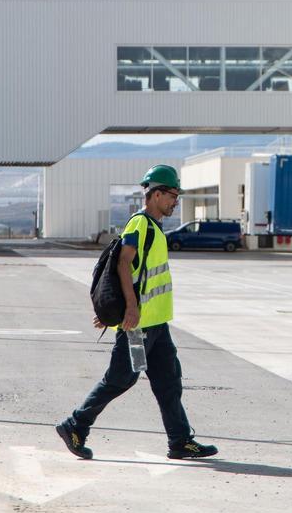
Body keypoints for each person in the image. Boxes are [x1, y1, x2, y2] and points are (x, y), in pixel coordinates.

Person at [56, 164, 219, 461]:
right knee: (120, 379)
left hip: (157, 324)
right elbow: (122, 264)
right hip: (138, 327)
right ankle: (76, 425)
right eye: (172, 195)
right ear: (156, 194)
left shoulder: (154, 228)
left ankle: (180, 441)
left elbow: (139, 274)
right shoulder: (139, 225)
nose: (175, 201)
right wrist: (128, 309)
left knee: (169, 382)